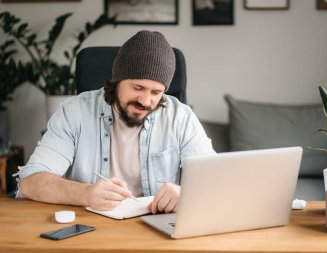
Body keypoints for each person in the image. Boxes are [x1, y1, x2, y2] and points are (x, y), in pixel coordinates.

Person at [17, 30, 215, 214]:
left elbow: (215, 180)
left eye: (156, 92)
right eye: (138, 87)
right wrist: (85, 194)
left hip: (158, 231)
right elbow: (31, 181)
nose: (145, 101)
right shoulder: (74, 113)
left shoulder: (181, 117)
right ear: (117, 80)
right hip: (91, 228)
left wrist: (186, 193)